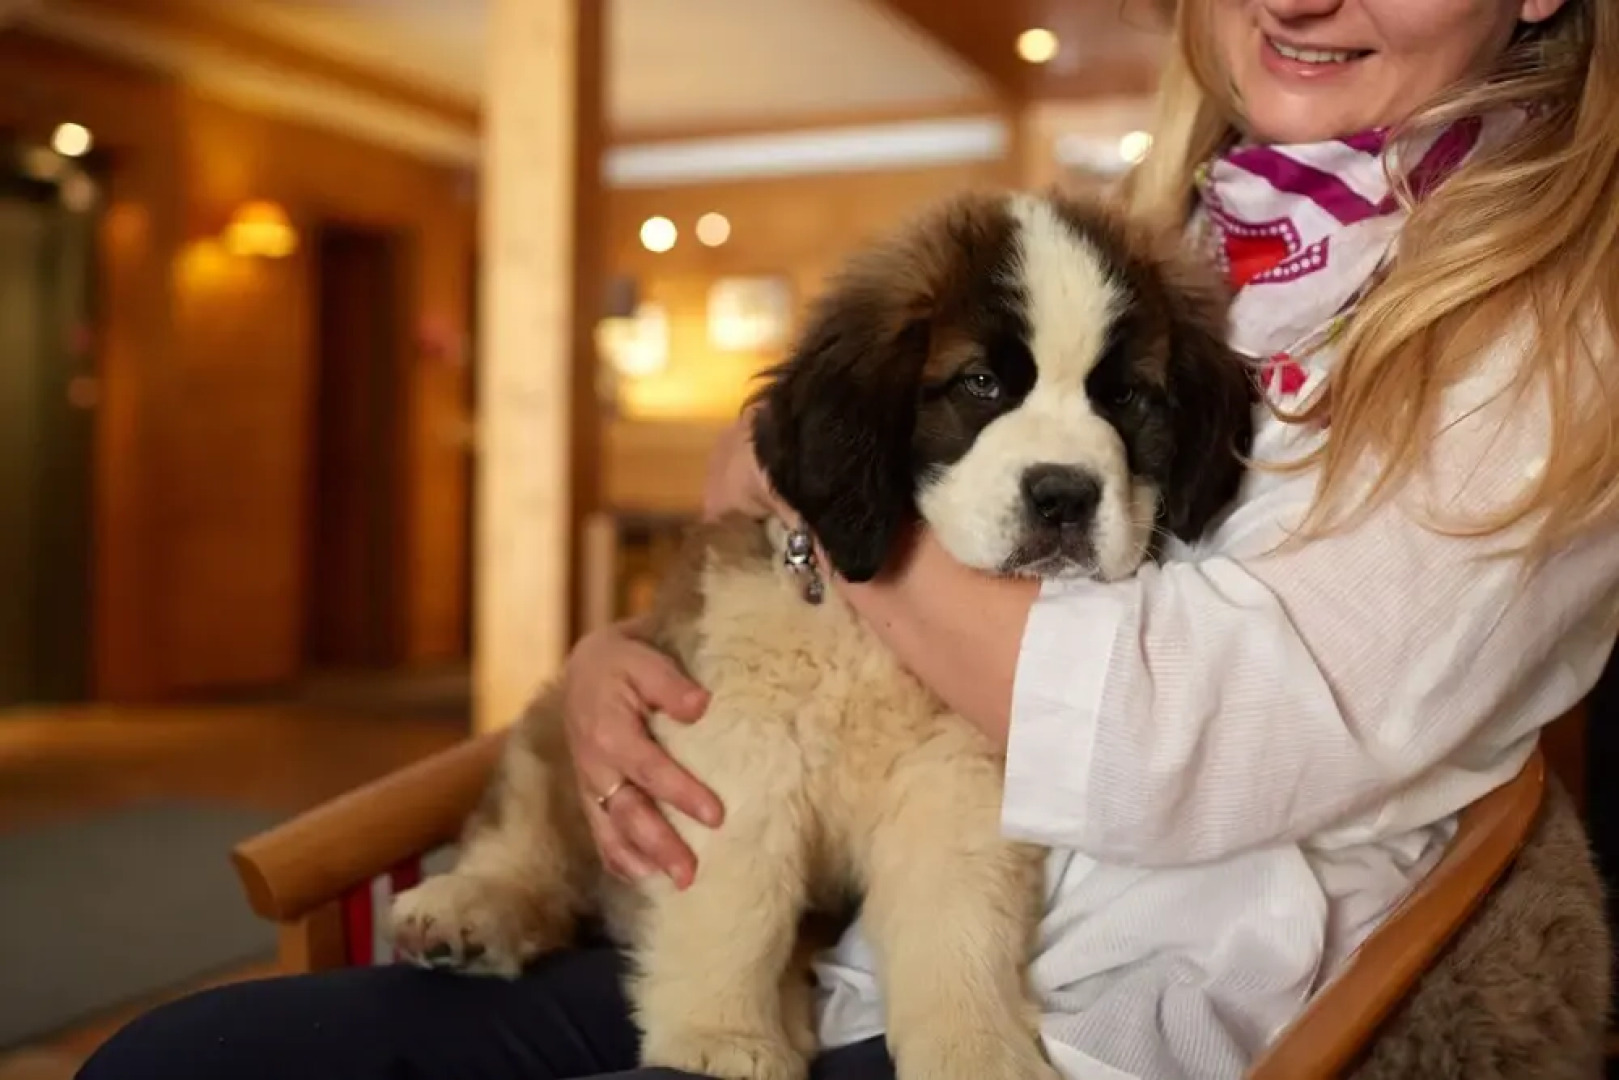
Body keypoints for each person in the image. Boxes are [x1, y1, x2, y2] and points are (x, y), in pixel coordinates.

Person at [80, 0, 1619, 1078]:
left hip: (1107, 1000)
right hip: (830, 924)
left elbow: (1177, 730)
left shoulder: (1555, 342)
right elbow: (774, 478)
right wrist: (639, 661)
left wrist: (823, 506)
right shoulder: (1185, 223)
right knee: (185, 1054)